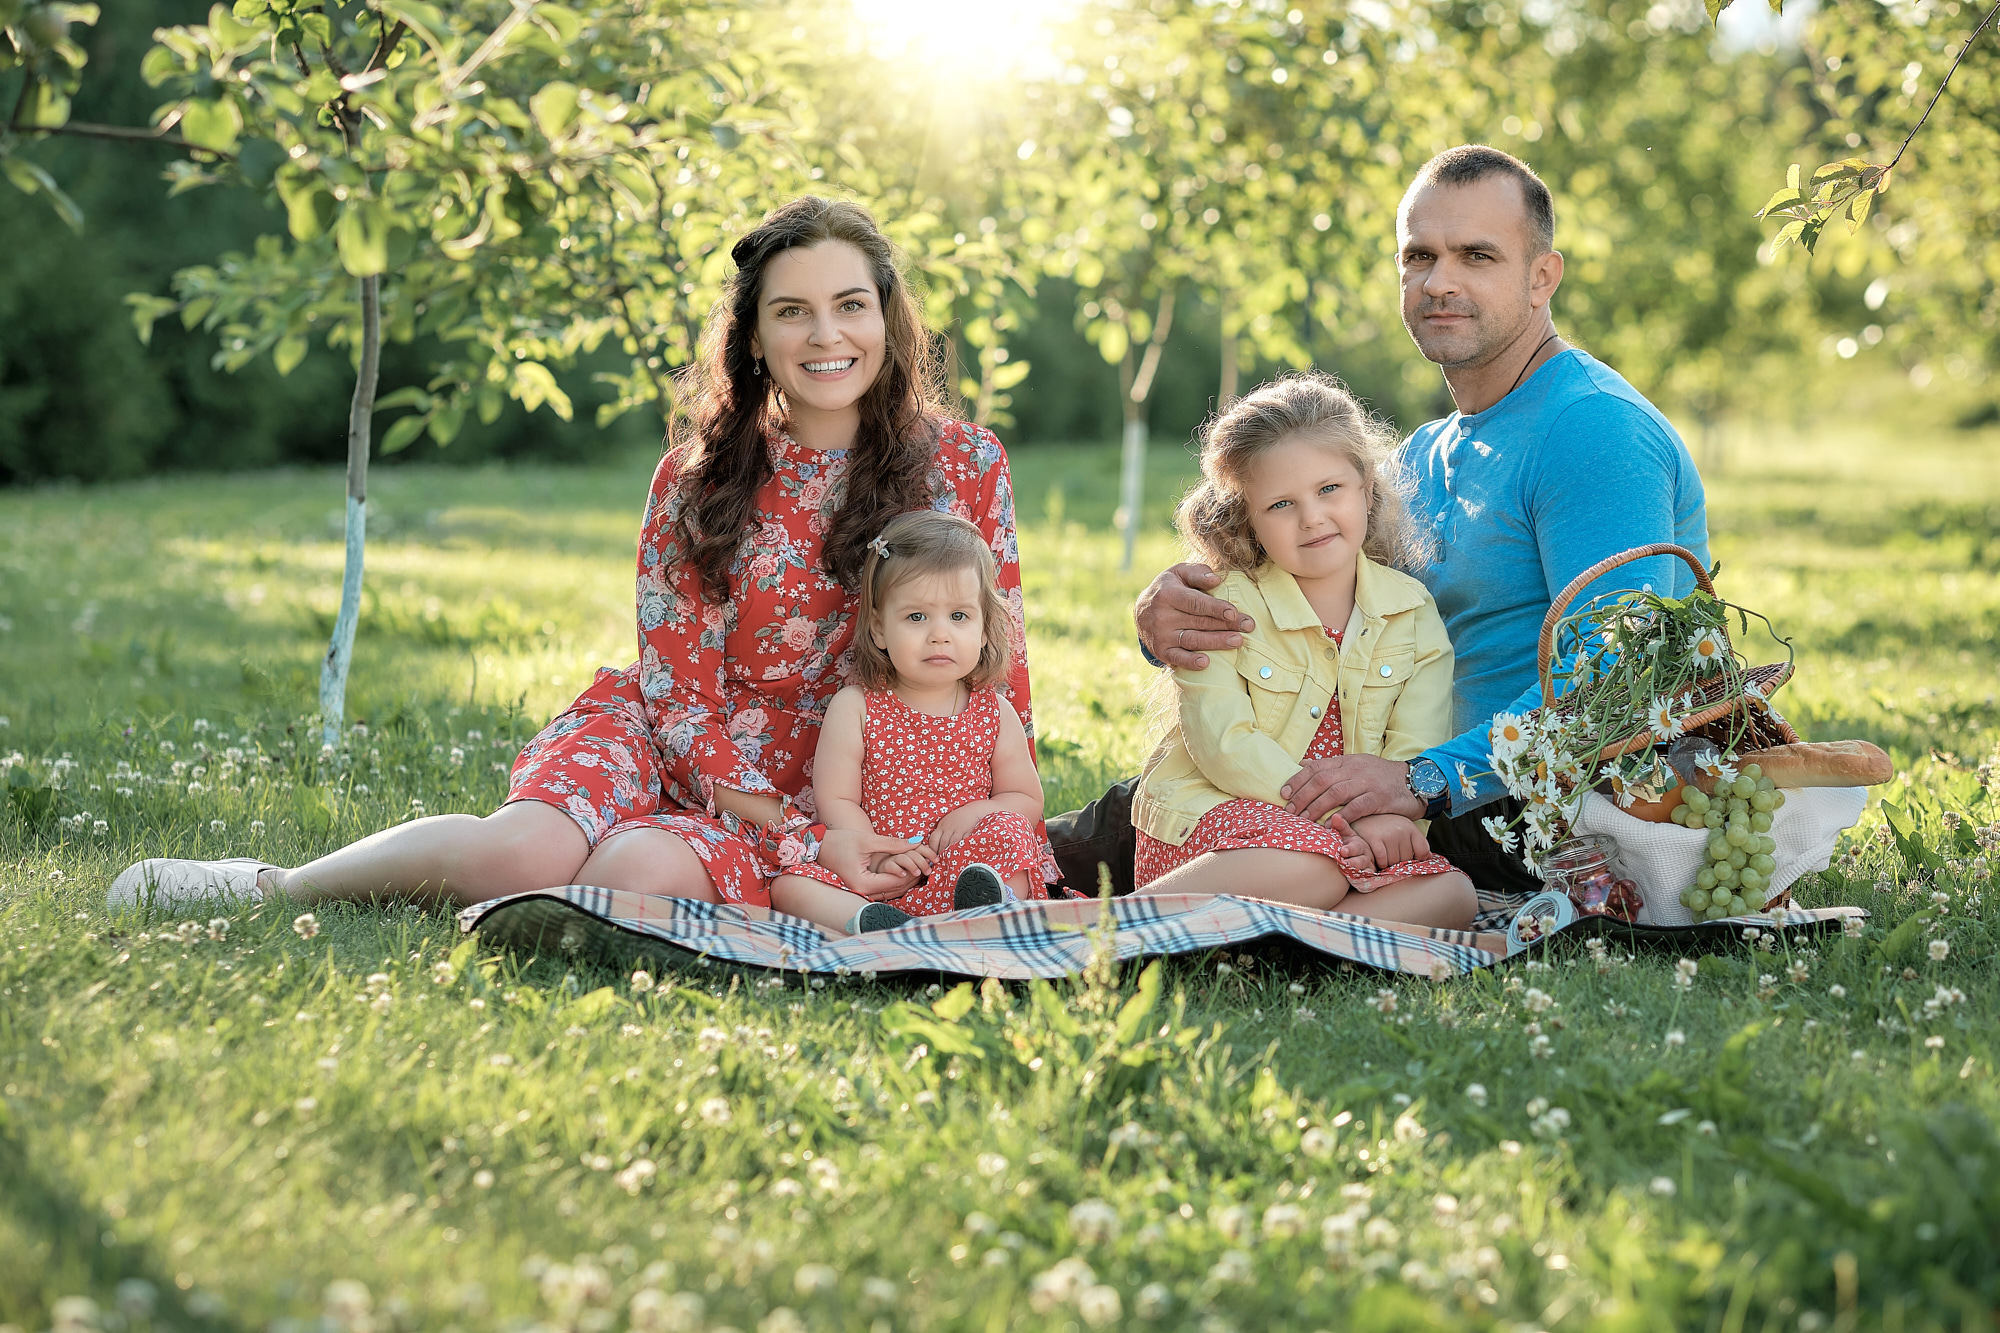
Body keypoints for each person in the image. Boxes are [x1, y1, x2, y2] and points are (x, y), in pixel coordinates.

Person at [111, 196, 1053, 916]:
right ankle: (278, 887)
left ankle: (628, 887)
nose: (826, 335)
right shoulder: (701, 478)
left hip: (878, 768)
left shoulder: (965, 464)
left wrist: (993, 820)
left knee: (621, 886)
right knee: (523, 859)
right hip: (701, 752)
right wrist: (782, 819)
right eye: (792, 312)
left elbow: (996, 664)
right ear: (756, 338)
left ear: (888, 320)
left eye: (851, 305)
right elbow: (679, 686)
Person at [1055, 145, 1709, 925]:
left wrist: (1426, 778)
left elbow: (1616, 679)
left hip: (1524, 801)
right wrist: (1166, 617)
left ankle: (1077, 917)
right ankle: (962, 875)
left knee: (1277, 833)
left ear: (1543, 277)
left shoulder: (1592, 430)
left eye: (1476, 256)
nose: (1440, 281)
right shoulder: (1426, 456)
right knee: (1155, 802)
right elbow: (1301, 590)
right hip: (1387, 769)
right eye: (1419, 256)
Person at [1131, 373, 1475, 929]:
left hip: (1354, 834)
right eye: (1282, 504)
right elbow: (1225, 746)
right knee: (1314, 872)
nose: (1312, 517)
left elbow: (1415, 742)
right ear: (1249, 519)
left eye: (1329, 490)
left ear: (1366, 484)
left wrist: (1384, 816)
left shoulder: (1411, 610)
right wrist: (1339, 818)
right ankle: (1115, 926)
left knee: (1453, 895)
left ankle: (1268, 943)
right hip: (1221, 824)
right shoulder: (1222, 606)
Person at [769, 509, 1052, 934]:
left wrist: (980, 812)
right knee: (789, 885)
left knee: (1011, 832)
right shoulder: (857, 707)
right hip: (883, 877)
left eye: (959, 617)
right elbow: (838, 801)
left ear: (984, 627)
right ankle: (878, 924)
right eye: (916, 617)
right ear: (880, 629)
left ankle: (993, 909)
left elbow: (1026, 799)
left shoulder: (993, 712)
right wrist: (879, 854)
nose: (939, 634)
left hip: (964, 870)